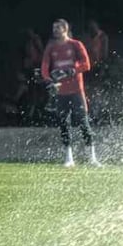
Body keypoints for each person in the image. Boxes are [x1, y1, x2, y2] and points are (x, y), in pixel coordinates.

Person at [42, 19, 100, 167]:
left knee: (83, 122)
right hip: (60, 92)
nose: (54, 30)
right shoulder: (51, 47)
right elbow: (45, 66)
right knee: (63, 124)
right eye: (53, 28)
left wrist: (73, 70)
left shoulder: (76, 45)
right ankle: (69, 158)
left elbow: (86, 64)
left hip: (76, 91)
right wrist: (48, 80)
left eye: (57, 28)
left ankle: (92, 157)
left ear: (65, 29)